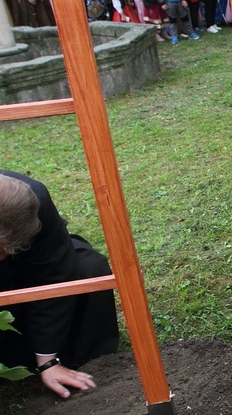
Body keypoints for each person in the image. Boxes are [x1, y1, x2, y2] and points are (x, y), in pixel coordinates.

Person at [0, 170, 119, 399]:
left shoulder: (35, 197)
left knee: (90, 269)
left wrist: (47, 360)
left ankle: (87, 363)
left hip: (28, 263)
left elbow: (53, 273)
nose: (3, 257)